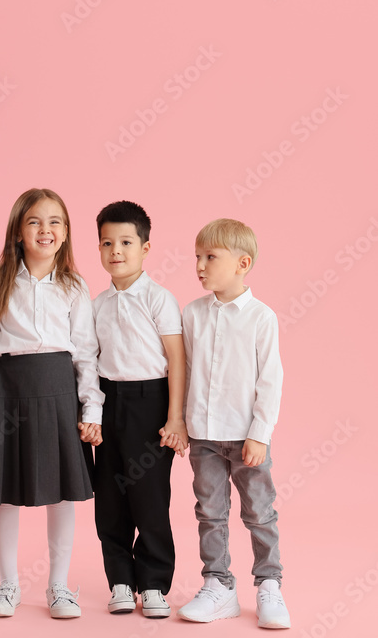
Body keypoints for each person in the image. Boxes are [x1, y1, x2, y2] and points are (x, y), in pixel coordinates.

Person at [0, 188, 103, 619]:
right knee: (5, 490)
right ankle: (6, 585)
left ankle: (58, 587)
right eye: (34, 222)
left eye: (55, 222)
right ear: (18, 230)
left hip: (61, 391)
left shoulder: (74, 285)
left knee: (61, 491)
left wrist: (91, 408)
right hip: (10, 390)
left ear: (65, 233)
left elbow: (85, 353)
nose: (45, 230)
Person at [178, 218, 290, 629]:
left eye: (210, 257)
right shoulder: (192, 314)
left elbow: (270, 381)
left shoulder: (262, 318)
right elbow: (184, 372)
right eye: (197, 257)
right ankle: (218, 584)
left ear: (243, 263)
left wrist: (260, 434)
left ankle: (269, 585)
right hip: (204, 436)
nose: (200, 266)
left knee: (259, 512)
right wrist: (181, 423)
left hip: (246, 437)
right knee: (210, 511)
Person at [91, 200, 186, 618]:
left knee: (149, 497)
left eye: (126, 242)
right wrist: (91, 414)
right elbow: (90, 361)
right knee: (110, 499)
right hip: (110, 402)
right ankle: (121, 581)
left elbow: (177, 360)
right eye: (107, 242)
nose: (116, 251)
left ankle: (153, 584)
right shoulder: (96, 304)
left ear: (145, 247)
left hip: (152, 403)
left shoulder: (160, 299)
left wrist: (175, 417)